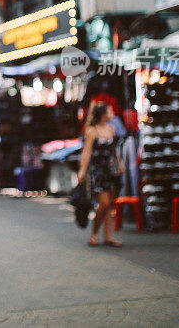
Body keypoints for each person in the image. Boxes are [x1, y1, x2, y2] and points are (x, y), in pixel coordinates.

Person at [77, 102, 125, 247]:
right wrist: (82, 170)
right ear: (103, 115)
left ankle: (108, 236)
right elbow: (87, 152)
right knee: (103, 203)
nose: (113, 114)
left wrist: (120, 163)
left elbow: (113, 151)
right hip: (98, 171)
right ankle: (95, 233)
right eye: (110, 111)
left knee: (110, 204)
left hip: (112, 170)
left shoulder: (112, 129)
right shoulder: (92, 131)